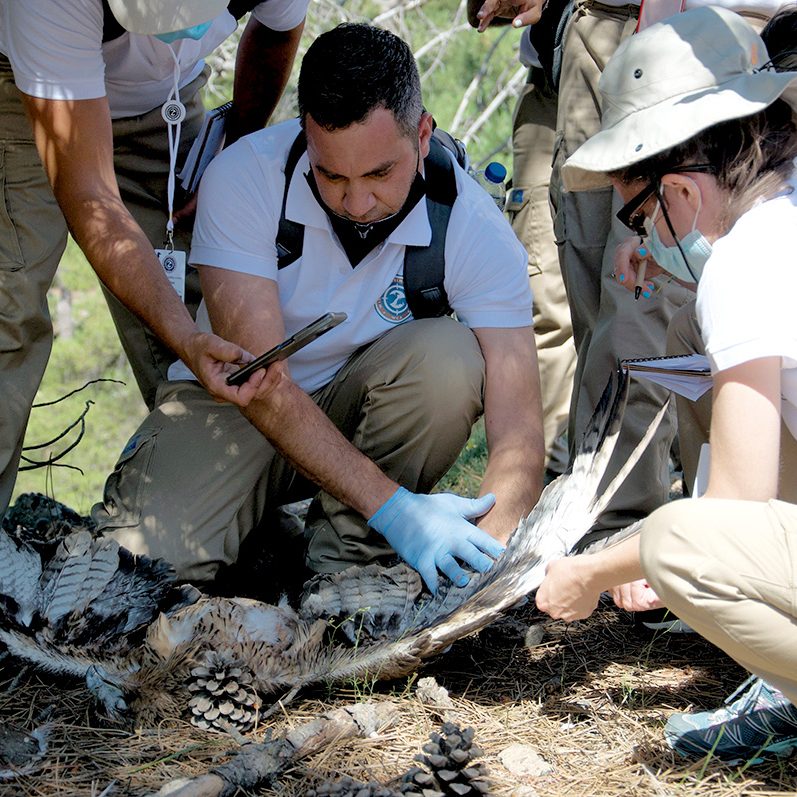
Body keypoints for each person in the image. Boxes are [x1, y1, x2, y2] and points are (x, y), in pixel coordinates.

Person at [92, 23, 545, 595]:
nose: (357, 202)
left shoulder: (472, 227)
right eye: (331, 175)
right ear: (305, 136)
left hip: (367, 411)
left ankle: (345, 570)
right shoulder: (245, 178)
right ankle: (267, 535)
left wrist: (490, 563)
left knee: (449, 358)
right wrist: (398, 510)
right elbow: (262, 386)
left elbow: (520, 433)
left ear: (423, 135)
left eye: (381, 173)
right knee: (141, 573)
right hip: (237, 407)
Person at [535, 6, 797, 761]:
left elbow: (731, 509)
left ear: (679, 188)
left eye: (638, 212)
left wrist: (593, 570)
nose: (646, 234)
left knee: (683, 541)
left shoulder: (748, 262)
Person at [0, 0, 307, 516]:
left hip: (164, 103)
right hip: (29, 92)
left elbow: (279, 30)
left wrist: (234, 140)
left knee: (215, 312)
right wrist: (184, 340)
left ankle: (230, 520)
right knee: (8, 309)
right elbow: (91, 200)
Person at [468, 0, 576, 482]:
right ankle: (547, 480)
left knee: (640, 289)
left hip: (645, 68)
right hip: (551, 87)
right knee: (541, 292)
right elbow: (479, 13)